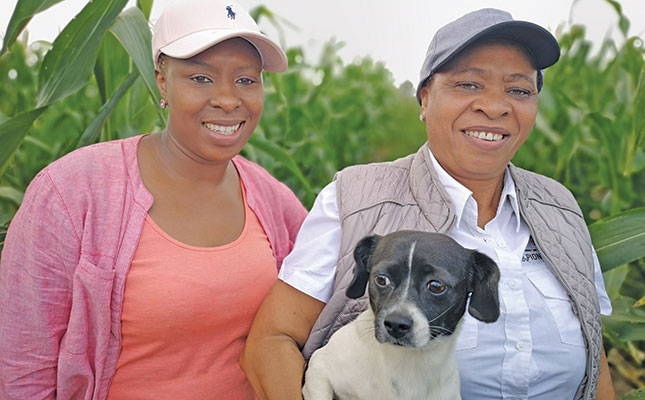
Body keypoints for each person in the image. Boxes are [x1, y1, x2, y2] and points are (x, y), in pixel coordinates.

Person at [241, 8, 615, 400]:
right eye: (468, 84)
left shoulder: (560, 208)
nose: (495, 106)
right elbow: (271, 341)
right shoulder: (356, 198)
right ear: (425, 98)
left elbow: (594, 353)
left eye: (519, 90)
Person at [0, 0, 307, 398]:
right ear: (162, 80)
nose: (229, 100)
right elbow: (24, 368)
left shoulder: (273, 201)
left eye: (247, 80)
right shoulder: (71, 192)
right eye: (201, 78)